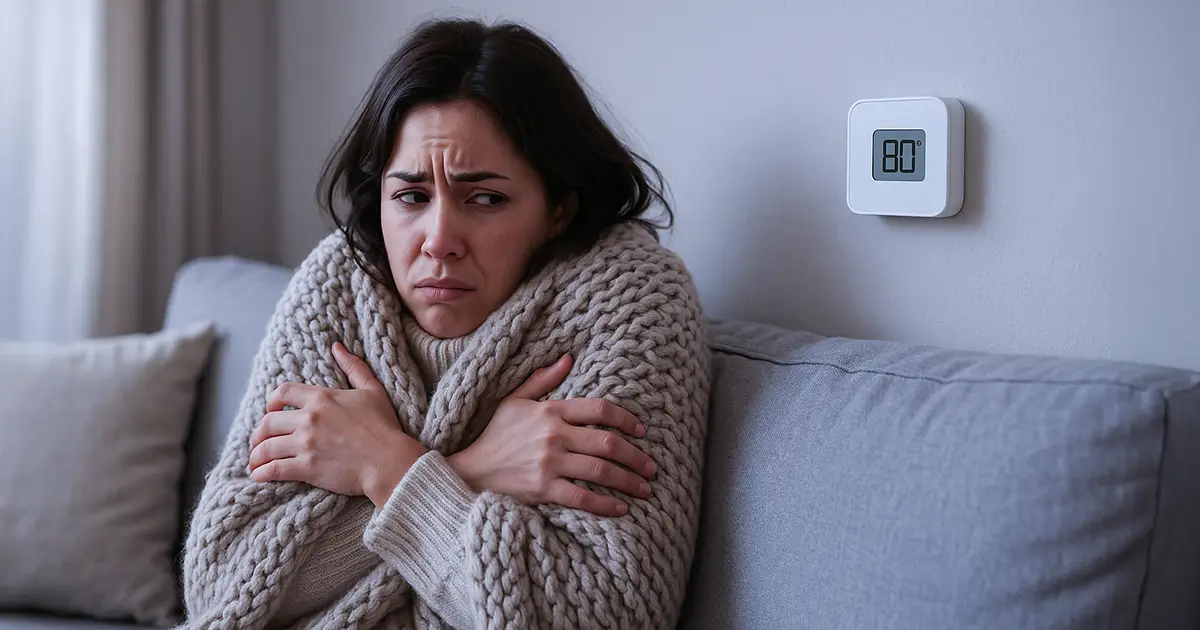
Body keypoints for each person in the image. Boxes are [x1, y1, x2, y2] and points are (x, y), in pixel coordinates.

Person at [180, 17, 710, 630]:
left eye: (485, 198)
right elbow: (219, 582)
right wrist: (467, 469)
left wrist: (381, 466)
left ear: (558, 207)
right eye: (411, 196)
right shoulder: (336, 288)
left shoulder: (628, 303)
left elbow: (602, 615)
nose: (439, 240)